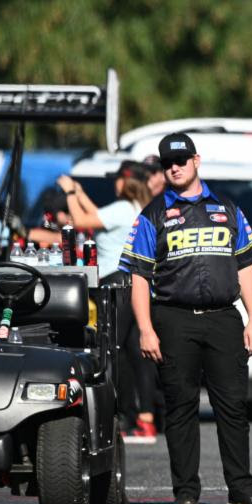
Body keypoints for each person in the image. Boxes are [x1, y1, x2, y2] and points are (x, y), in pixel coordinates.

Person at [119, 132, 252, 504]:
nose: (174, 168)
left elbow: (246, 266)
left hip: (224, 319)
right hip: (174, 320)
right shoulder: (152, 215)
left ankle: (241, 491)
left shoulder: (227, 208)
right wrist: (145, 328)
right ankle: (186, 493)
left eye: (181, 160)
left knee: (233, 407)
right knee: (180, 408)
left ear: (196, 161)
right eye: (167, 163)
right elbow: (139, 277)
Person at [57, 161, 158, 443]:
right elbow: (96, 213)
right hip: (135, 285)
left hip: (116, 286)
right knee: (135, 353)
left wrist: (68, 193)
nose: (114, 184)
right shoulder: (138, 207)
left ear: (126, 182)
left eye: (117, 179)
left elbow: (80, 222)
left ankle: (123, 415)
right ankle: (145, 417)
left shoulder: (123, 209)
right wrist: (79, 192)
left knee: (113, 351)